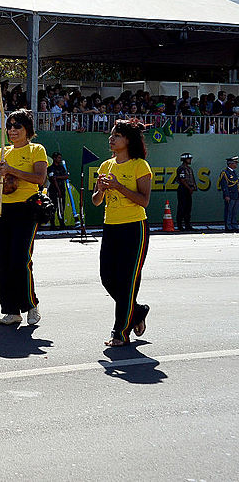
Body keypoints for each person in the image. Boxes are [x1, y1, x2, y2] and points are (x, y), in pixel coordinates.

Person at [0, 110, 47, 326]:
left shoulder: (37, 150)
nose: (12, 131)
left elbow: (40, 179)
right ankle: (10, 309)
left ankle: (31, 304)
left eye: (17, 126)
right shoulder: (3, 152)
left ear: (28, 130)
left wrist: (12, 170)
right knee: (3, 261)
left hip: (26, 209)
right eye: (9, 126)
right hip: (2, 209)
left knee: (20, 259)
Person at [92, 119, 152, 347]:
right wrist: (102, 189)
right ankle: (137, 311)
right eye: (111, 135)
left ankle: (120, 332)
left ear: (128, 140)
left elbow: (144, 201)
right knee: (107, 277)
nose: (111, 138)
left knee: (128, 281)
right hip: (111, 227)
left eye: (117, 135)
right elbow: (96, 201)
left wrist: (119, 187)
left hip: (134, 227)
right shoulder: (106, 166)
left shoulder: (139, 165)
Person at [46, 152, 69, 229]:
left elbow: (66, 176)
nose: (60, 159)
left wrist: (58, 177)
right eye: (58, 158)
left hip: (62, 190)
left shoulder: (61, 168)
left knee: (62, 207)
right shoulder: (50, 168)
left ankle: (62, 224)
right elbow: (53, 179)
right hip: (53, 191)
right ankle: (52, 225)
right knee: (53, 207)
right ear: (54, 158)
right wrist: (58, 190)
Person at [174, 152, 196, 231]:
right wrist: (189, 188)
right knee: (182, 207)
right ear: (184, 159)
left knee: (188, 208)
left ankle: (187, 225)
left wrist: (193, 187)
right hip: (183, 190)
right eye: (188, 159)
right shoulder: (181, 168)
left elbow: (191, 179)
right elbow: (182, 180)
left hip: (188, 190)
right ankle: (180, 225)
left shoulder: (189, 168)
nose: (190, 160)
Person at [218, 156, 239, 232]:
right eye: (235, 163)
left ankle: (234, 225)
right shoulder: (225, 173)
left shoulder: (234, 172)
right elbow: (224, 185)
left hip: (236, 195)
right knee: (229, 211)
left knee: (234, 212)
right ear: (230, 164)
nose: (236, 165)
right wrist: (226, 195)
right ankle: (228, 226)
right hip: (230, 195)